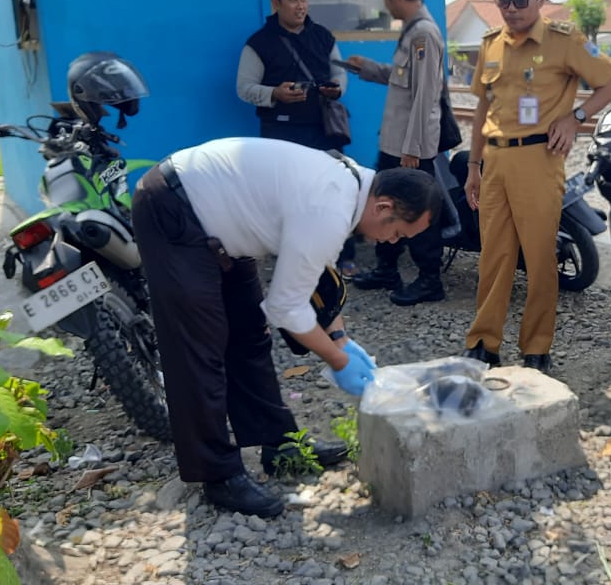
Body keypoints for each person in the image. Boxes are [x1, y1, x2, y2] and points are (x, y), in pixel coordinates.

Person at [131, 136, 444, 517]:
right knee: (200, 351)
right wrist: (337, 360)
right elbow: (285, 306)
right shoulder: (329, 207)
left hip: (223, 225)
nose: (392, 242)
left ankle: (280, 445)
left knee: (250, 336)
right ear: (384, 206)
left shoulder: (350, 189)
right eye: (397, 234)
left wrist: (341, 338)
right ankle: (218, 475)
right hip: (174, 209)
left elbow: (317, 280)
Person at [462, 0, 611, 374]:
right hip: (495, 160)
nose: (512, 10)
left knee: (539, 259)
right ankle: (485, 343)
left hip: (540, 159)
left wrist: (577, 118)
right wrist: (473, 166)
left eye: (520, 1)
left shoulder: (565, 40)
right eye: (504, 2)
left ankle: (536, 348)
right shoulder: (490, 45)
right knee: (494, 257)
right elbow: (482, 108)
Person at [237, 0, 359, 275]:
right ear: (276, 3)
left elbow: (339, 73)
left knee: (335, 188)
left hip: (323, 127)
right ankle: (293, 255)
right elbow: (244, 87)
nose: (300, 6)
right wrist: (274, 94)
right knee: (285, 195)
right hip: (280, 131)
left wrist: (337, 90)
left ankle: (343, 253)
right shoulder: (259, 43)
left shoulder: (322, 36)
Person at [346, 0, 447, 306]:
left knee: (416, 209)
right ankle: (387, 269)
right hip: (397, 143)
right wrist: (370, 70)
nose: (385, 6)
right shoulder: (412, 32)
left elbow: (426, 94)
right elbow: (404, 78)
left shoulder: (423, 35)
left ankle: (430, 280)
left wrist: (413, 149)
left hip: (409, 147)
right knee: (382, 201)